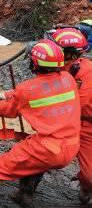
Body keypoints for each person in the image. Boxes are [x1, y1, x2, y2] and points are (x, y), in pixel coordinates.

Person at [0, 39, 81, 206]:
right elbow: (32, 90)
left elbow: (5, 111)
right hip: (71, 146)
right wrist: (4, 94)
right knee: (35, 165)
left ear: (34, 63)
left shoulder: (26, 89)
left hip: (47, 148)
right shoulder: (68, 78)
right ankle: (24, 196)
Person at [50, 28, 91, 204]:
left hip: (85, 125)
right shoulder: (54, 68)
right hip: (66, 121)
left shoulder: (87, 73)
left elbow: (77, 104)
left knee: (89, 177)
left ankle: (86, 183)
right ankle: (26, 189)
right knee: (40, 155)